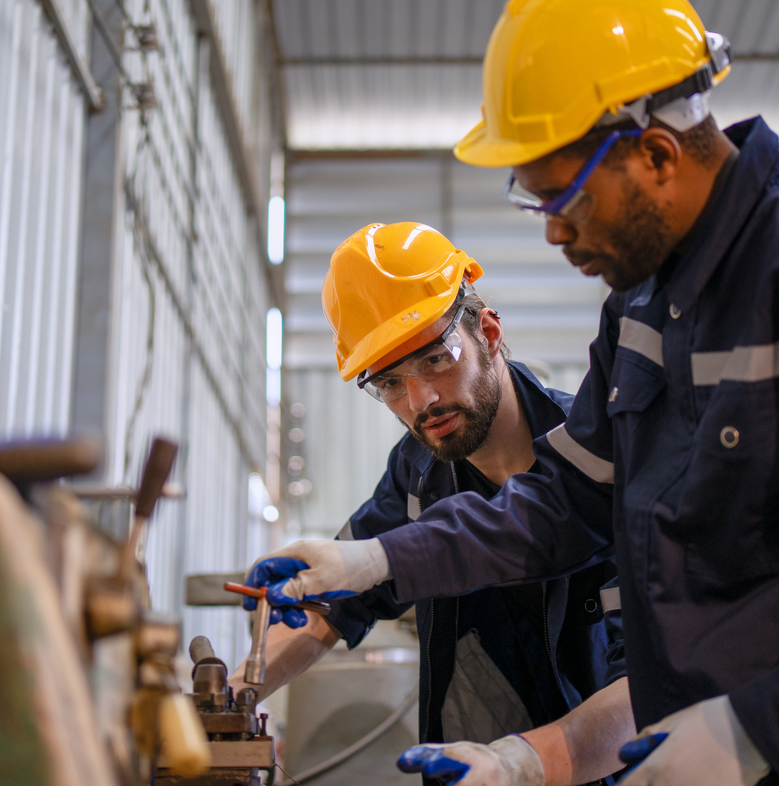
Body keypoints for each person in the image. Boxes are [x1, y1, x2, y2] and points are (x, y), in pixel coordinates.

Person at [243, 0, 779, 785]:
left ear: (655, 154)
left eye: (566, 198)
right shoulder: (643, 309)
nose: (554, 230)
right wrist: (375, 561)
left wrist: (760, 728)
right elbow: (564, 501)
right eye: (537, 202)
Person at [231, 221, 633, 783]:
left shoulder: (604, 464)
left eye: (436, 359)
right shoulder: (419, 472)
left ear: (488, 332)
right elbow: (339, 602)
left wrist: (521, 764)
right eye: (390, 383)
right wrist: (230, 699)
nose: (422, 400)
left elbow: (646, 688)